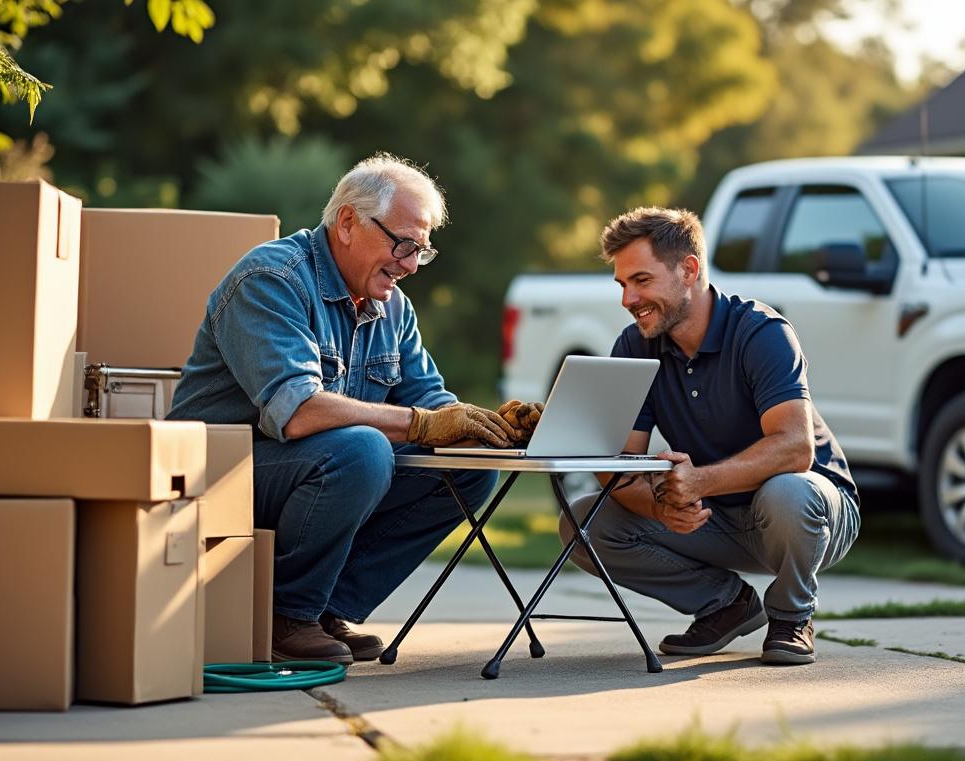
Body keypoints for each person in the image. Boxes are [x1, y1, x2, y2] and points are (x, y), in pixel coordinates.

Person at [169, 153, 542, 664]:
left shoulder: (391, 306)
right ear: (348, 222)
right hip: (213, 474)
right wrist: (421, 424)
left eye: (422, 251)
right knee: (363, 451)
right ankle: (285, 614)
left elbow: (431, 401)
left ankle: (323, 609)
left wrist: (489, 427)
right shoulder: (269, 279)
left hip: (303, 471)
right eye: (404, 244)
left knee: (469, 472)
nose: (411, 265)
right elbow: (296, 410)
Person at [560, 207, 860, 665]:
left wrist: (699, 482)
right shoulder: (635, 346)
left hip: (805, 513)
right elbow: (617, 464)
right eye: (622, 285)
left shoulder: (762, 333)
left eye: (641, 280)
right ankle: (725, 604)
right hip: (714, 519)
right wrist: (660, 506)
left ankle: (792, 616)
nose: (628, 299)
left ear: (689, 269)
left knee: (788, 492)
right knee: (583, 521)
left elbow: (795, 448)